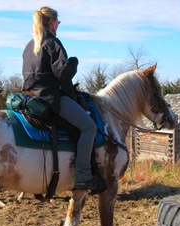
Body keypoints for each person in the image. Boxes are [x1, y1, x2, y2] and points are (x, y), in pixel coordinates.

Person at [22, 6, 105, 194]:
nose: (58, 26)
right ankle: (84, 175)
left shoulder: (29, 46)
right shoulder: (52, 43)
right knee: (89, 127)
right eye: (57, 22)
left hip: (30, 96)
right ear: (51, 22)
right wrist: (74, 63)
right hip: (50, 98)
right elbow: (64, 75)